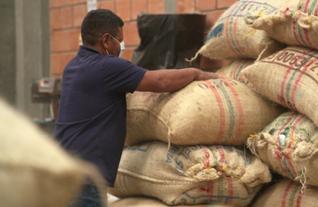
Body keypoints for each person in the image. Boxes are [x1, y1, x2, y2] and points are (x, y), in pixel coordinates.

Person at [54, 9, 218, 207]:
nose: (120, 47)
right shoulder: (107, 67)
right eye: (119, 40)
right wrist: (196, 74)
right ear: (106, 40)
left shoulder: (73, 66)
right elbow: (160, 82)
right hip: (84, 182)